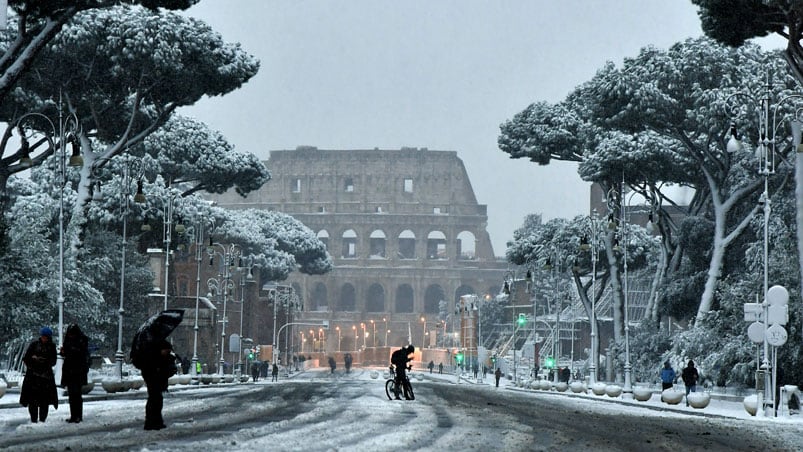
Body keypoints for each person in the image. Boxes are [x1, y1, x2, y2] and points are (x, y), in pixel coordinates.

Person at [20, 327, 58, 423]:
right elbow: (26, 358)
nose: (44, 338)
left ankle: (42, 419)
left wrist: (43, 361)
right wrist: (34, 361)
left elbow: (53, 361)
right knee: (32, 400)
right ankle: (33, 419)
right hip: (33, 377)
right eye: (43, 336)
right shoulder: (34, 345)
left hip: (45, 378)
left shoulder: (51, 346)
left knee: (44, 401)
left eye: (46, 337)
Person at [140, 339, 177, 430]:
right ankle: (150, 422)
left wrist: (171, 361)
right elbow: (149, 370)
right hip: (153, 381)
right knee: (154, 401)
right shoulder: (152, 357)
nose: (167, 352)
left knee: (157, 401)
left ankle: (156, 421)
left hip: (158, 381)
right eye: (166, 351)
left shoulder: (163, 357)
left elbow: (169, 371)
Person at [60, 324, 90, 423]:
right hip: (70, 370)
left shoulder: (81, 341)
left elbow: (80, 354)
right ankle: (74, 415)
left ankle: (78, 415)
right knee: (72, 395)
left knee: (76, 394)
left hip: (77, 371)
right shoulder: (69, 340)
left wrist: (68, 351)